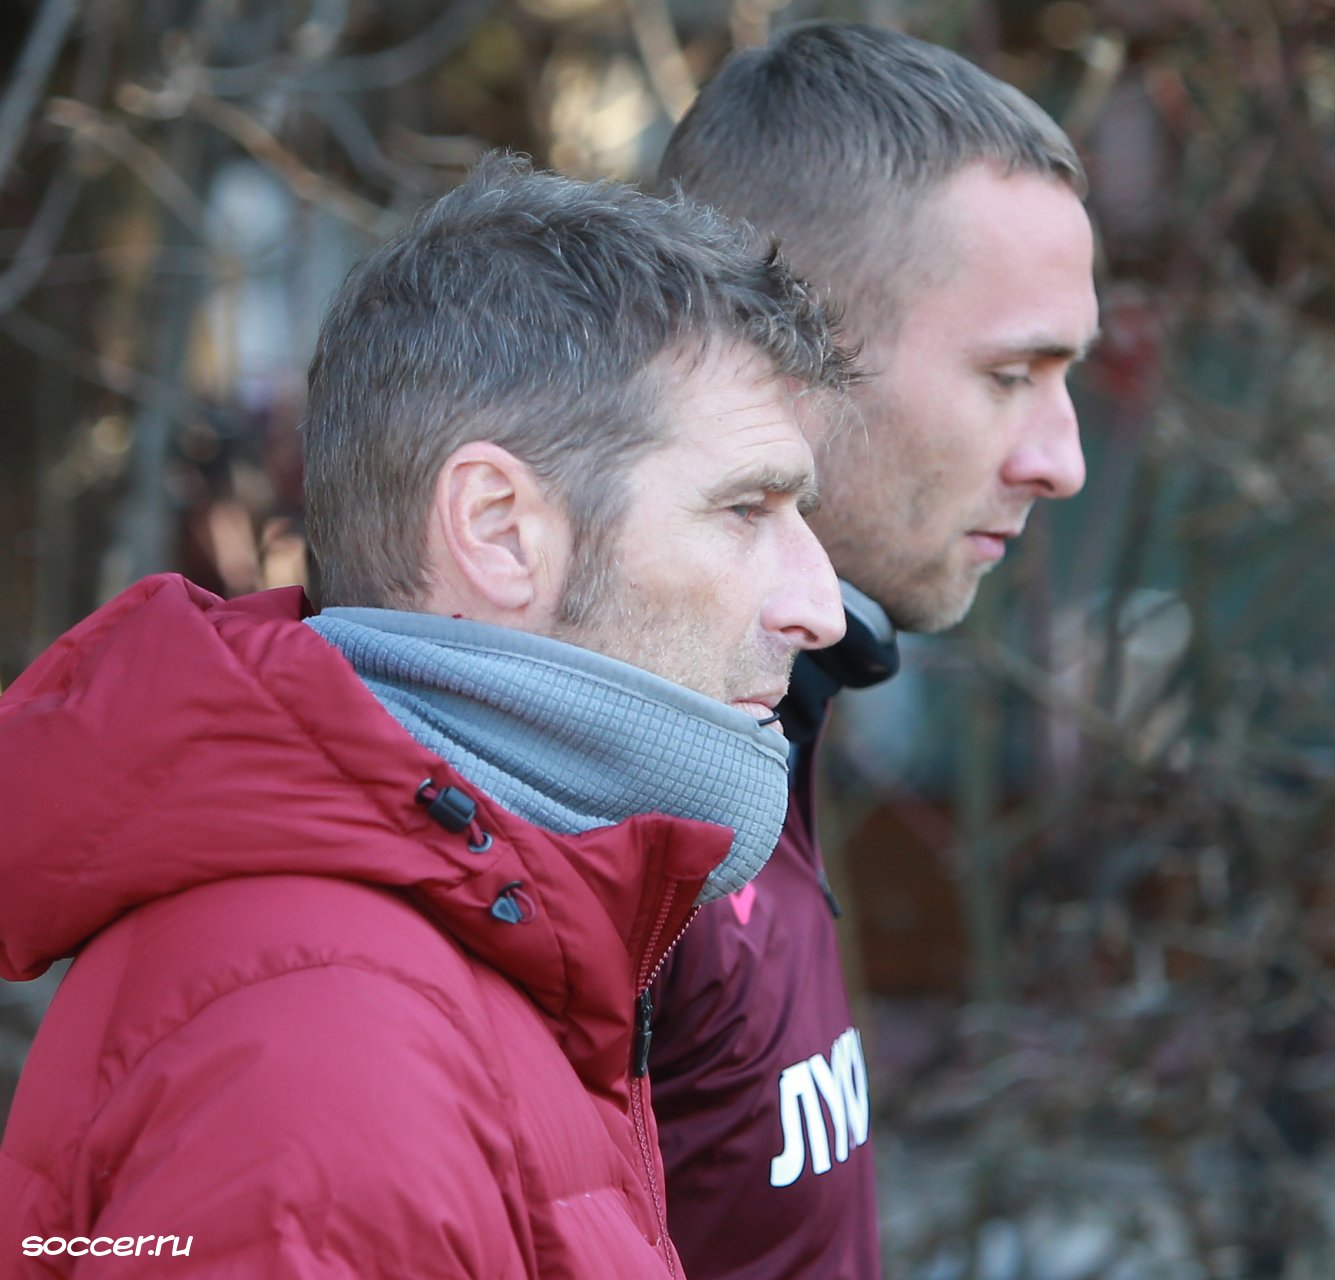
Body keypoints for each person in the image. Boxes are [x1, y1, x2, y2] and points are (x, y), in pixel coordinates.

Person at [0, 154, 855, 1278]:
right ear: (499, 529)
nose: (819, 606)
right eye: (747, 507)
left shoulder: (480, 944)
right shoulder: (324, 1056)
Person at [647, 23, 1101, 1278]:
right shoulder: (582, 822)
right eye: (1011, 374)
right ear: (788, 354)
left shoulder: (752, 732)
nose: (1060, 458)